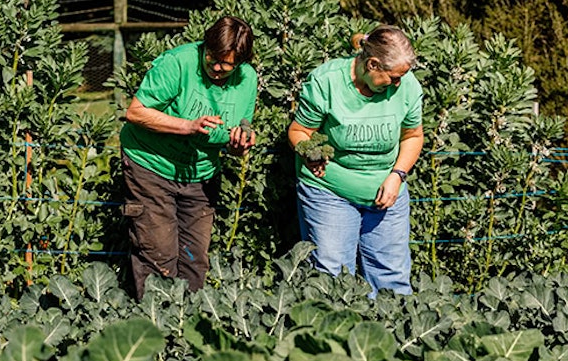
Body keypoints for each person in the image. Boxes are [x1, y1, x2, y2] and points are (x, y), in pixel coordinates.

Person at [120, 16, 258, 299]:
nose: (218, 68)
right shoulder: (178, 63)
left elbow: (237, 132)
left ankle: (186, 325)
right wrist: (187, 126)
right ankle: (154, 328)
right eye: (212, 58)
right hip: (152, 166)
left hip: (200, 176)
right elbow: (135, 112)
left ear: (241, 62)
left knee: (195, 260)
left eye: (227, 64)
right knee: (158, 255)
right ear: (204, 46)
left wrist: (239, 144)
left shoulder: (248, 81)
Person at [287, 25, 424, 296]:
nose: (399, 84)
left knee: (393, 277)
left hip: (387, 193)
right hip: (330, 191)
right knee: (332, 278)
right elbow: (298, 131)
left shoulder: (407, 86)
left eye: (402, 77)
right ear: (372, 64)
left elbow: (413, 136)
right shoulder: (327, 82)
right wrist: (308, 153)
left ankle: (392, 336)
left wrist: (397, 175)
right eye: (393, 77)